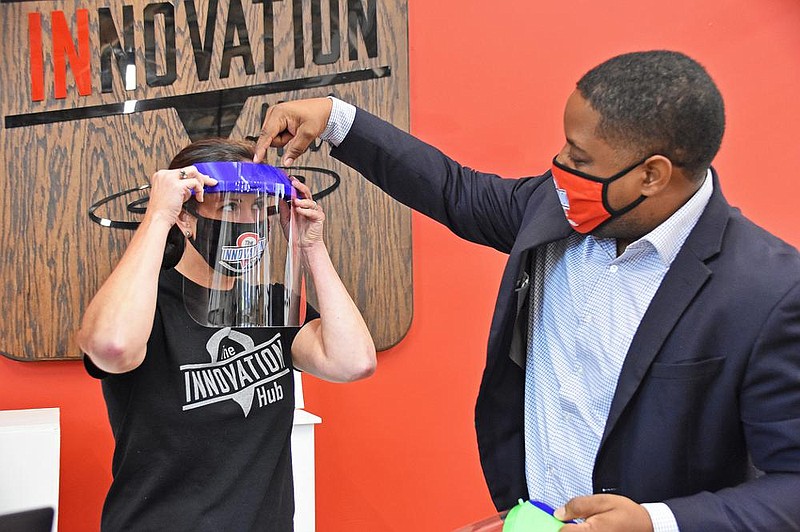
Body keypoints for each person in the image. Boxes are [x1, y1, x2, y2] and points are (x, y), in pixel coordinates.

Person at [252, 50, 800, 531]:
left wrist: (658, 522)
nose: (559, 170)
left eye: (580, 161)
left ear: (652, 175)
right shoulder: (556, 207)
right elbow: (456, 192)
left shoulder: (768, 292)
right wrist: (336, 119)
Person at [78, 138, 376, 531]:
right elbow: (112, 348)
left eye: (258, 208)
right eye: (231, 206)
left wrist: (310, 246)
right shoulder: (143, 305)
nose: (248, 221)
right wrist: (158, 215)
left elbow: (353, 362)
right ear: (186, 217)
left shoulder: (270, 305)